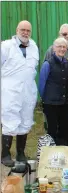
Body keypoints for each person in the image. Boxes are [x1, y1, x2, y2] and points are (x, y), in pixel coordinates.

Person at [1, 20, 39, 167]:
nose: (25, 33)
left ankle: (20, 152)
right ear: (17, 30)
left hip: (28, 90)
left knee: (25, 120)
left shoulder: (34, 46)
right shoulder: (6, 46)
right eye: (23, 30)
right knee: (10, 121)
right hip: (10, 91)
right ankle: (5, 154)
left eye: (28, 30)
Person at [44, 23, 68, 147]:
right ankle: (52, 152)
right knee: (53, 125)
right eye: (64, 34)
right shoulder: (50, 52)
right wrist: (45, 97)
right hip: (53, 96)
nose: (67, 36)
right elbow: (44, 78)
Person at [38, 37, 68, 146]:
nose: (62, 49)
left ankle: (62, 154)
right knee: (52, 129)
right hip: (50, 103)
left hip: (64, 103)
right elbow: (41, 84)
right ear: (54, 48)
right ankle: (50, 155)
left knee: (63, 129)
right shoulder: (47, 64)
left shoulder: (67, 63)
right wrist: (45, 99)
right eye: (59, 46)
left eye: (64, 47)